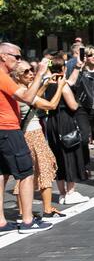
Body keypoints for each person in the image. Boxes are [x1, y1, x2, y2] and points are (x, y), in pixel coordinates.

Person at [0, 43, 53, 234]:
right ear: (3, 56)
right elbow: (28, 97)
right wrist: (40, 73)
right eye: (17, 56)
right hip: (9, 130)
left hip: (3, 130)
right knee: (26, 174)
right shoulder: (3, 77)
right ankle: (28, 220)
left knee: (2, 175)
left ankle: (1, 222)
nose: (19, 60)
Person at [11, 62, 66, 219]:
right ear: (16, 76)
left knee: (27, 172)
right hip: (33, 134)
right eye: (25, 72)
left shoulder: (20, 91)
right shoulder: (22, 91)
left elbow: (32, 102)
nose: (31, 74)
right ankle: (47, 209)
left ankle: (23, 211)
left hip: (27, 134)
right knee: (44, 169)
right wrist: (60, 86)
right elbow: (51, 105)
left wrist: (45, 85)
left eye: (31, 70)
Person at [44, 55, 90, 205]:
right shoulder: (62, 85)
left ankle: (62, 193)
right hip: (65, 121)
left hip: (52, 122)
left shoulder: (47, 83)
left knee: (57, 156)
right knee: (69, 154)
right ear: (63, 68)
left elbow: (70, 81)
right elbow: (73, 105)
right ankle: (71, 192)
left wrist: (77, 68)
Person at [67, 45, 94, 177]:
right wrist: (79, 67)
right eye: (90, 55)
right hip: (83, 108)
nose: (93, 57)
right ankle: (85, 166)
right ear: (85, 57)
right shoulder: (80, 71)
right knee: (84, 139)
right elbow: (73, 85)